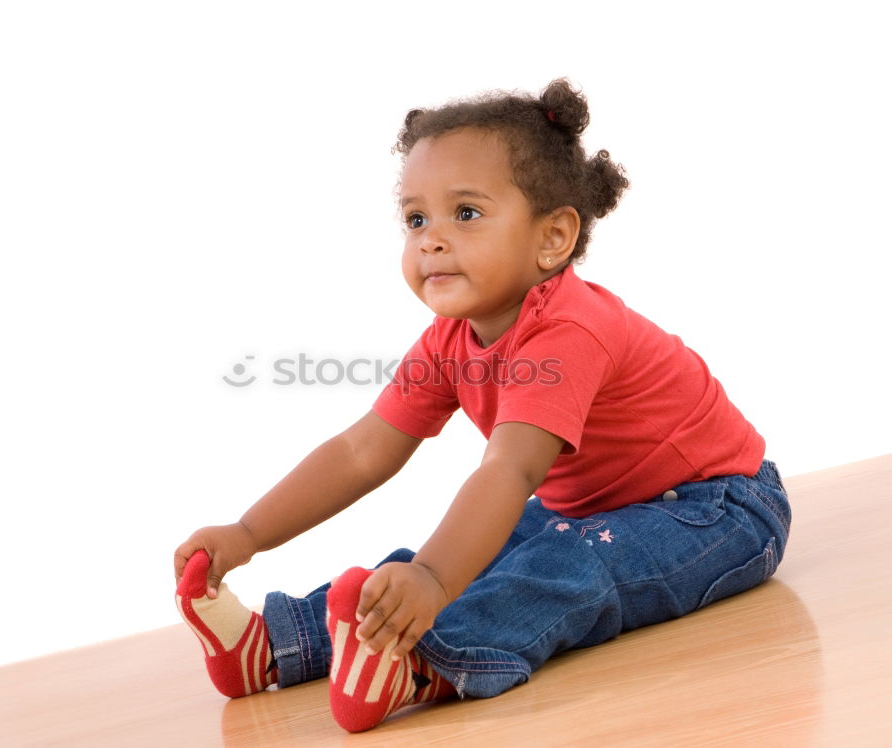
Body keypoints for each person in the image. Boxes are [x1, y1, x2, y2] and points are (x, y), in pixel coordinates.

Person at [172, 78, 792, 733]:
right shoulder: (451, 338)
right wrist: (247, 534)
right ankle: (275, 645)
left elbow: (509, 471)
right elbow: (361, 451)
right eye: (417, 219)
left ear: (552, 238)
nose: (432, 240)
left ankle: (421, 665)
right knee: (452, 557)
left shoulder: (569, 331)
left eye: (465, 213)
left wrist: (437, 583)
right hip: (590, 508)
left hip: (718, 510)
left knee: (556, 568)